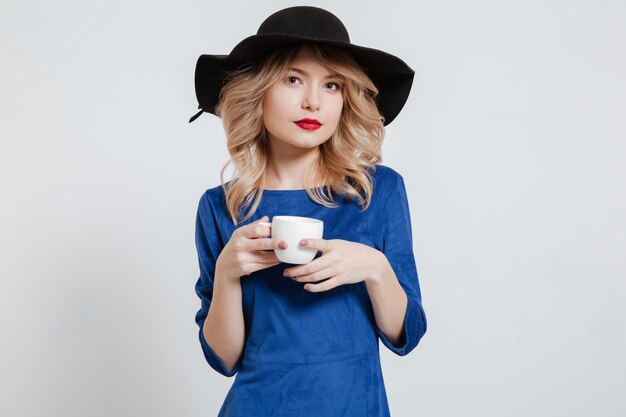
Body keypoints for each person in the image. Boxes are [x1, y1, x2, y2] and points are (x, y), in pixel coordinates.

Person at [189, 6, 427, 417]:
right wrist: (228, 274)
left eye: (332, 85)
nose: (313, 102)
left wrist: (374, 266)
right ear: (257, 90)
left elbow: (404, 334)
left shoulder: (377, 191)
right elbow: (223, 359)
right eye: (293, 79)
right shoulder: (220, 206)